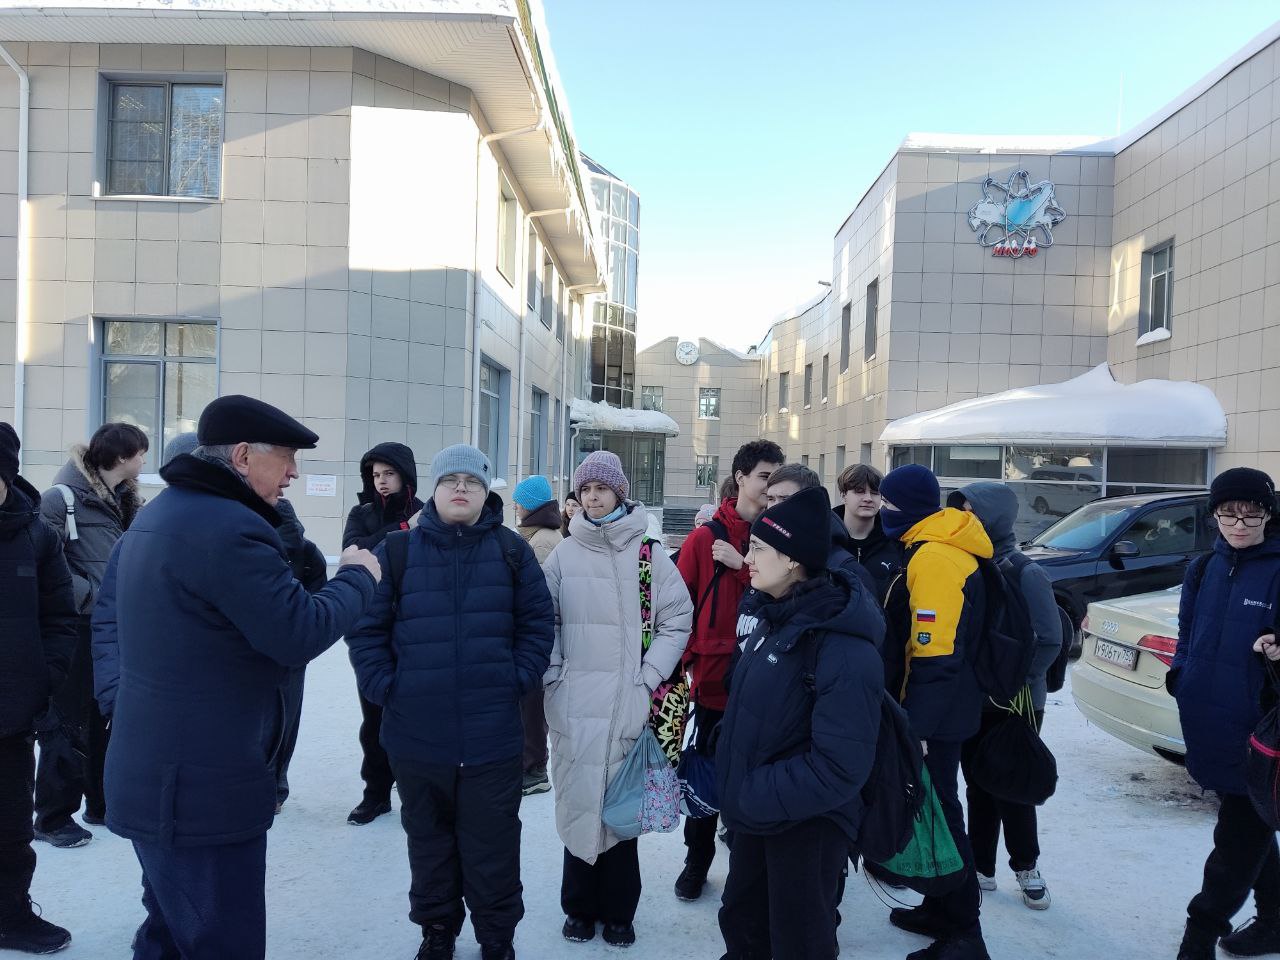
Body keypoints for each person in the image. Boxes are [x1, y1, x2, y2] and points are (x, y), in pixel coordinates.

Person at [91, 395, 381, 960]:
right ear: (244, 456)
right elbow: (298, 631)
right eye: (287, 457)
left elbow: (115, 624)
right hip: (202, 793)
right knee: (220, 940)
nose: (294, 473)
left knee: (169, 932)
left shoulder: (163, 513)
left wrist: (119, 703)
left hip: (161, 779)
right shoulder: (230, 529)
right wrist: (357, 577)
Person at [346, 444, 554, 960]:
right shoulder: (397, 552)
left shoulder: (512, 551)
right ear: (433, 489)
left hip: (492, 737)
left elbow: (537, 625)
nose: (461, 488)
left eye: (473, 481)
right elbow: (367, 630)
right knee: (429, 842)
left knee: (493, 845)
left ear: (486, 492)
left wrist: (516, 678)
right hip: (418, 736)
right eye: (450, 480)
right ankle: (437, 930)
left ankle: (496, 936)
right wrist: (387, 686)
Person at [716, 486, 884, 960]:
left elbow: (840, 766)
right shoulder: (775, 618)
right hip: (761, 817)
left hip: (805, 827)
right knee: (743, 925)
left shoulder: (843, 647)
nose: (747, 559)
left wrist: (753, 791)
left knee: (798, 940)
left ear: (792, 560)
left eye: (758, 548)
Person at [541, 451, 691, 948]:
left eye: (601, 488)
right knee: (577, 803)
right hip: (573, 701)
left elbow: (677, 618)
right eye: (585, 489)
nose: (592, 497)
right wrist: (554, 674)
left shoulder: (649, 553)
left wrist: (648, 677)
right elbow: (545, 622)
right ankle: (578, 907)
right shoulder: (563, 555)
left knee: (621, 810)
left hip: (630, 701)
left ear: (620, 493)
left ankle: (620, 911)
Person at [879, 464, 994, 960]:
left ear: (906, 507)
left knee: (942, 813)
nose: (882, 511)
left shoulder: (936, 557)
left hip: (938, 712)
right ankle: (940, 907)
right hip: (944, 703)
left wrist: (917, 727)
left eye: (888, 503)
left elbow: (935, 653)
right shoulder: (935, 543)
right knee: (936, 806)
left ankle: (965, 930)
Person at [1170, 468, 1280, 960]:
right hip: (1208, 720)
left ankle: (1200, 934)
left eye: (1250, 513)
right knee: (1251, 827)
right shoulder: (1203, 568)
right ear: (1214, 514)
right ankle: (1275, 920)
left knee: (1237, 836)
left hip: (1262, 731)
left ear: (1268, 514)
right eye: (1228, 513)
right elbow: (1186, 632)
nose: (1238, 524)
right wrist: (1181, 677)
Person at [33, 423, 147, 849]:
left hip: (114, 623)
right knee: (68, 720)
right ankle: (52, 818)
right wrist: (92, 594)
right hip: (77, 624)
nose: (144, 460)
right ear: (121, 457)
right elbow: (46, 561)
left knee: (105, 713)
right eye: (140, 452)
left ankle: (100, 804)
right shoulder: (60, 499)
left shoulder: (127, 500)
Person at [948, 483, 1061, 910]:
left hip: (1016, 702)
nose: (964, 518)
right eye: (961, 511)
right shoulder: (969, 563)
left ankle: (1026, 865)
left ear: (993, 516)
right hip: (976, 698)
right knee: (978, 783)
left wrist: (1013, 679)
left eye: (972, 511)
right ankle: (982, 866)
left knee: (1013, 786)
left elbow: (1049, 639)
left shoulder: (1024, 571)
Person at [0, 423, 77, 954]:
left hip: (10, 713)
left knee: (10, 828)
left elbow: (60, 617)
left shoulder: (36, 535)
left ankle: (10, 916)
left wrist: (42, 678)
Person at [342, 442, 424, 825]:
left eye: (389, 473)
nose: (381, 481)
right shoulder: (361, 514)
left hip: (413, 626)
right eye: (375, 475)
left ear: (405, 475)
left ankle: (414, 792)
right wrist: (404, 529)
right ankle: (375, 793)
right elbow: (354, 553)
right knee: (373, 718)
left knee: (413, 716)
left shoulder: (425, 511)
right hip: (371, 627)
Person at [271, 497, 329, 813]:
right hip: (293, 650)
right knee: (287, 719)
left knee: (260, 720)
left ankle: (269, 787)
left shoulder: (258, 547)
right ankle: (276, 788)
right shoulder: (309, 552)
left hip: (264, 649)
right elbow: (319, 602)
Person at [512, 474, 563, 796]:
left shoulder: (542, 539)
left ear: (530, 504)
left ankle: (534, 769)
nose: (515, 507)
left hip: (537, 635)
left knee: (531, 705)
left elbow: (539, 593)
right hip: (536, 634)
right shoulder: (540, 533)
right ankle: (530, 763)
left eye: (519, 501)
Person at [834, 463, 902, 604]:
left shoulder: (896, 542)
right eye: (859, 491)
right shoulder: (825, 540)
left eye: (875, 492)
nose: (868, 498)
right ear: (843, 495)